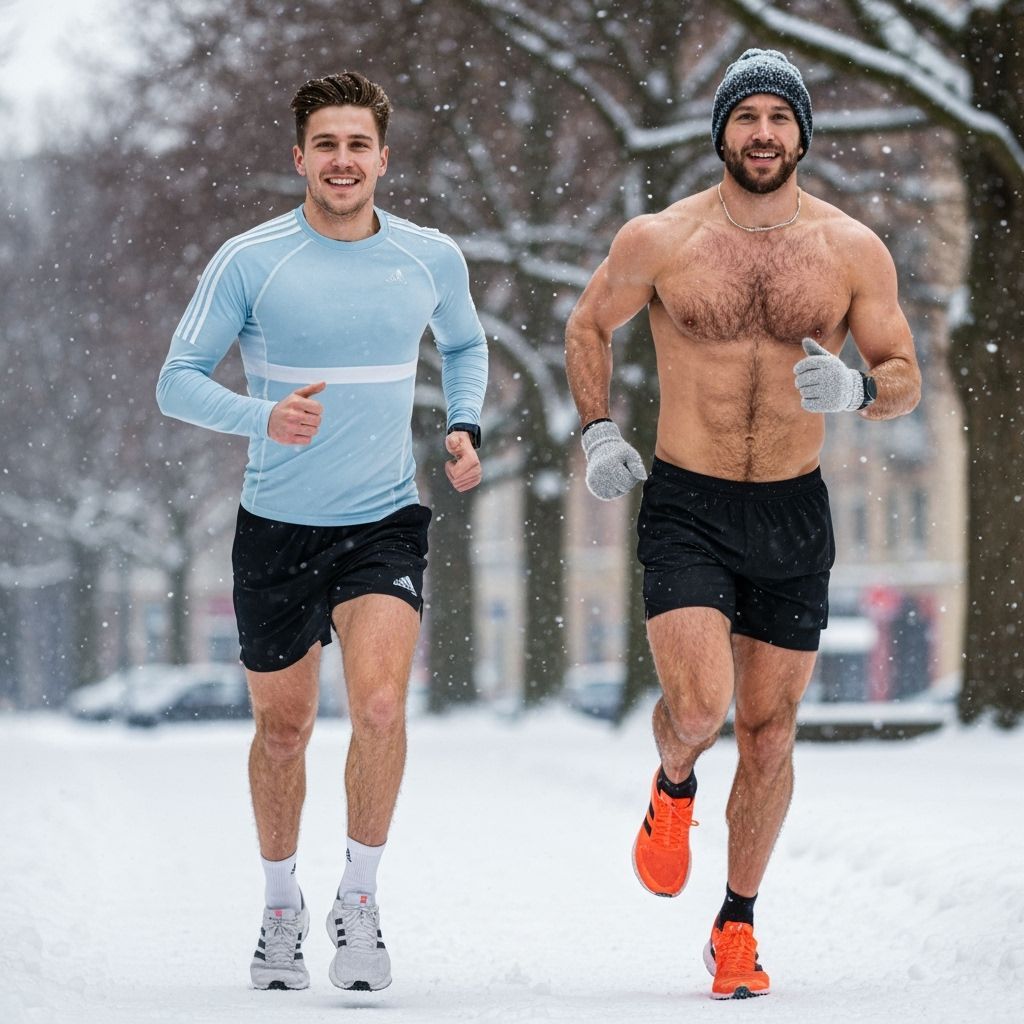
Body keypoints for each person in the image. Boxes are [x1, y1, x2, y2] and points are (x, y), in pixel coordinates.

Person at [565, 49, 920, 1000]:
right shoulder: (663, 238)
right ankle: (674, 783)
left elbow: (904, 375)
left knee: (768, 733)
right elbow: (589, 324)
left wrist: (857, 390)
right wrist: (598, 432)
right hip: (689, 502)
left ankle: (736, 924)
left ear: (802, 134)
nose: (763, 133)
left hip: (794, 510)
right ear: (721, 132)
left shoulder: (852, 248)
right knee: (699, 708)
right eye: (746, 117)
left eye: (779, 118)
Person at [156, 71, 488, 993]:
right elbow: (176, 379)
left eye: (359, 145)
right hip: (277, 528)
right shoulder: (251, 261)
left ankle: (361, 898)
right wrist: (262, 417)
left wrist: (465, 423)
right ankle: (279, 907)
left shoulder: (429, 258)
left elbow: (465, 343)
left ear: (384, 158)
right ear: (299, 157)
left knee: (379, 708)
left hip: (384, 520)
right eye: (327, 145)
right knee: (285, 731)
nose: (343, 161)